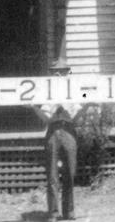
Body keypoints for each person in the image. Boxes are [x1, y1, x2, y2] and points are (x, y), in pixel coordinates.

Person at [31, 64, 79, 221]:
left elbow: (77, 114)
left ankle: (69, 212)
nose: (59, 75)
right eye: (55, 72)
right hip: (53, 132)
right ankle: (53, 213)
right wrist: (34, 108)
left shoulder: (77, 90)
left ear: (69, 73)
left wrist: (89, 103)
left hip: (69, 132)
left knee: (70, 173)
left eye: (63, 72)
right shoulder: (47, 93)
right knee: (52, 174)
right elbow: (46, 118)